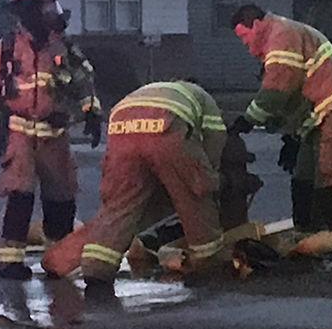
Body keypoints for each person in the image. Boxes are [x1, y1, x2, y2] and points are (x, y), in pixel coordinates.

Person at [41, 80, 229, 299]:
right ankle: (208, 264)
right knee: (194, 196)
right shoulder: (205, 101)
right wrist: (213, 180)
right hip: (166, 125)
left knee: (120, 207)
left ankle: (96, 269)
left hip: (121, 124)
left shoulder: (161, 90)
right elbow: (209, 158)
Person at [0, 0, 101, 280]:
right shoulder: (7, 49)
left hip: (55, 136)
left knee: (61, 201)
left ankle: (58, 260)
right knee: (19, 197)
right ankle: (9, 263)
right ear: (28, 10)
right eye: (45, 5)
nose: (52, 11)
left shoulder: (63, 48)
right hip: (19, 135)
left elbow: (83, 80)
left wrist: (92, 112)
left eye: (51, 4)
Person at [228, 4, 332, 248]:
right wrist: (292, 136)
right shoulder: (285, 36)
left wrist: (248, 119)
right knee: (304, 175)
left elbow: (278, 88)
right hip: (320, 115)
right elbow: (296, 96)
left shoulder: (280, 35)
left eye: (245, 37)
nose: (246, 45)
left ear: (256, 24)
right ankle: (310, 236)